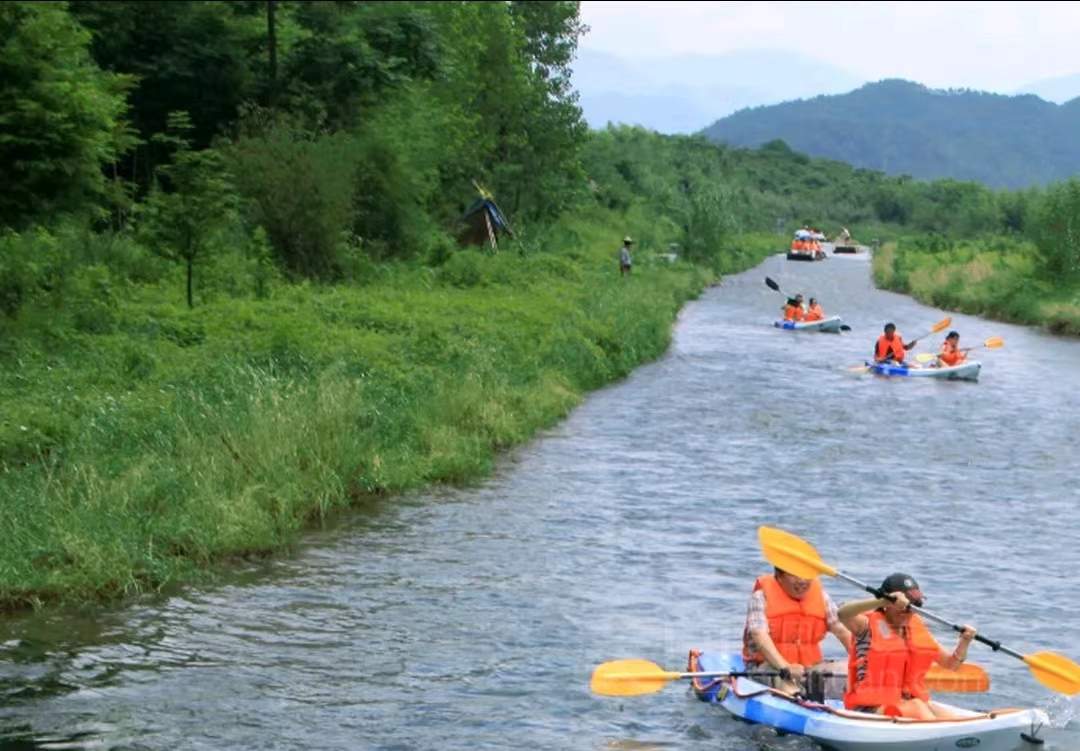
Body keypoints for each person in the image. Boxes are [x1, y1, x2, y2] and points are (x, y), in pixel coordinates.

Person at [838, 573, 977, 720]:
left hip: (903, 703)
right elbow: (843, 613)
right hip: (867, 708)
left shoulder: (916, 630)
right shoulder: (866, 627)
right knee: (918, 706)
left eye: (913, 606)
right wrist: (881, 600)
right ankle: (940, 737)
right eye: (901, 606)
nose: (907, 612)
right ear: (887, 605)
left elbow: (952, 664)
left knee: (932, 708)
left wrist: (964, 642)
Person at [742, 567, 853, 697]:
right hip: (769, 667)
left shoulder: (822, 597)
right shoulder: (760, 597)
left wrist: (863, 661)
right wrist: (784, 667)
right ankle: (797, 700)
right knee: (786, 683)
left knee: (849, 671)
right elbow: (759, 636)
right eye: (794, 575)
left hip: (809, 667)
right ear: (779, 576)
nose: (802, 581)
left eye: (806, 575)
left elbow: (842, 630)